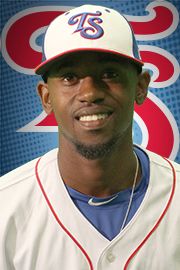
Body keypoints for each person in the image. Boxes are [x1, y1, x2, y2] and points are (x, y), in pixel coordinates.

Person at [0, 4, 179, 270]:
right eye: (70, 77)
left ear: (140, 87)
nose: (90, 92)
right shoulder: (6, 208)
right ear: (46, 97)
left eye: (109, 73)